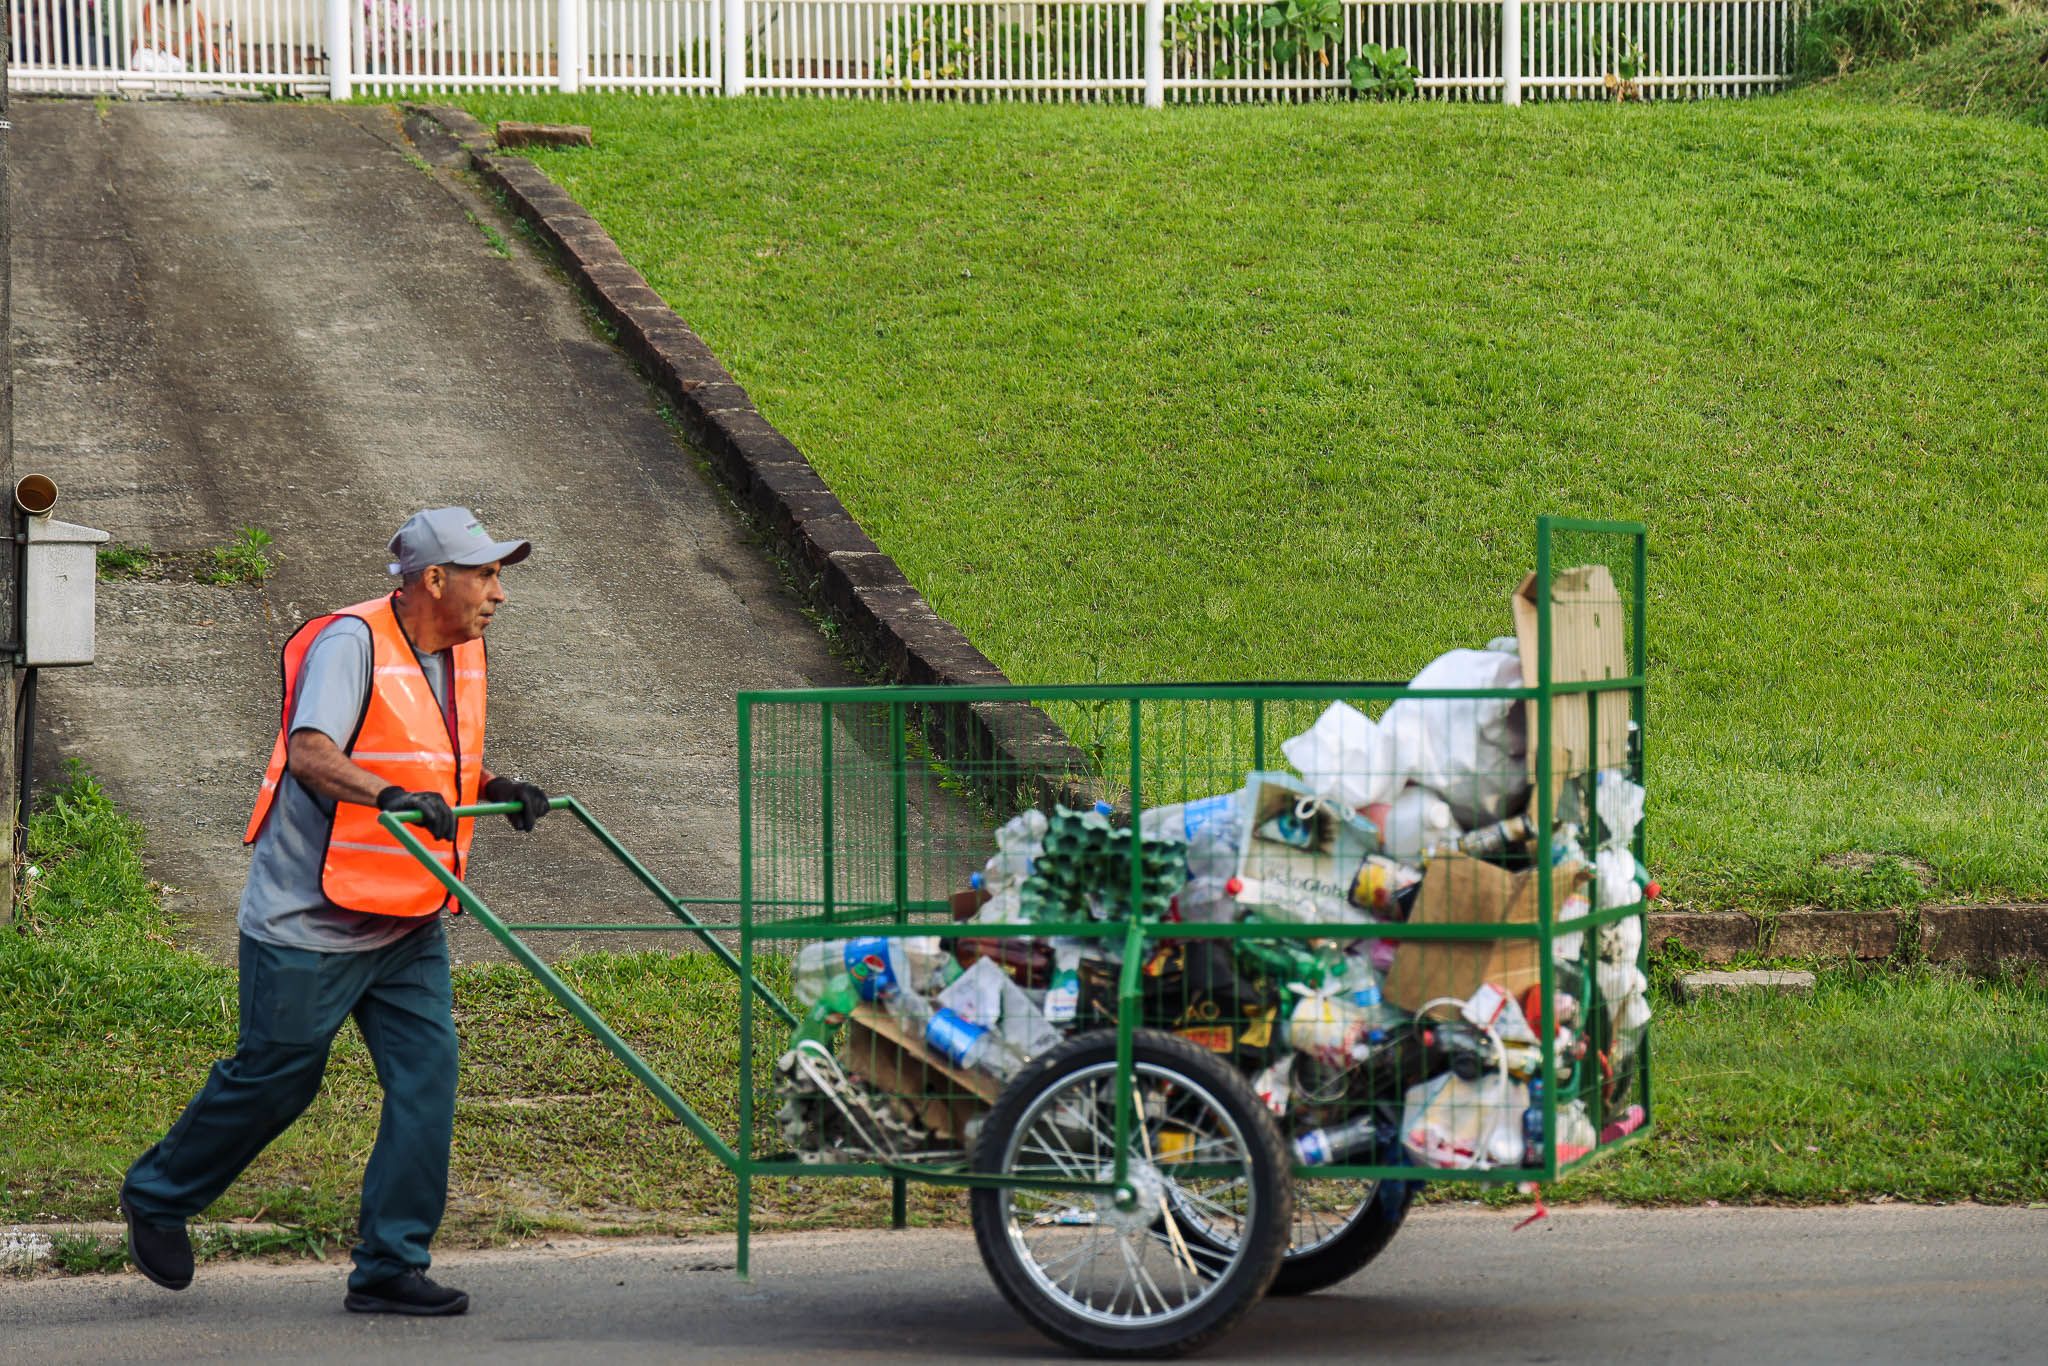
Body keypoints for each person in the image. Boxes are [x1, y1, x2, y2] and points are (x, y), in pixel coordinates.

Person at [119, 508, 553, 1316]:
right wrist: (389, 796)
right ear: (434, 579)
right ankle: (157, 1195)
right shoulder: (350, 642)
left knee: (427, 1081)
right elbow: (313, 751)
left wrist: (496, 787)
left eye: (499, 575)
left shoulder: (459, 655)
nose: (498, 592)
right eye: (485, 574)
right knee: (278, 1081)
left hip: (406, 917)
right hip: (309, 919)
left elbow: (435, 755)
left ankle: (390, 1263)